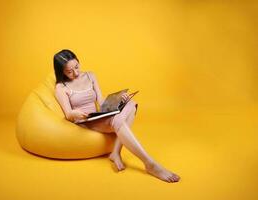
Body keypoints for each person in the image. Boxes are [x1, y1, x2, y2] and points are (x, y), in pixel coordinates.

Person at [54, 49, 180, 183]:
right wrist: (75, 113)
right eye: (69, 71)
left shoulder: (90, 76)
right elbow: (68, 114)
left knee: (131, 103)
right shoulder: (61, 88)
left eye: (77, 67)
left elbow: (101, 101)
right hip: (86, 121)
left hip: (99, 115)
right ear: (61, 72)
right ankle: (150, 163)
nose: (76, 73)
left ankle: (116, 152)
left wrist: (119, 99)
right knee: (117, 118)